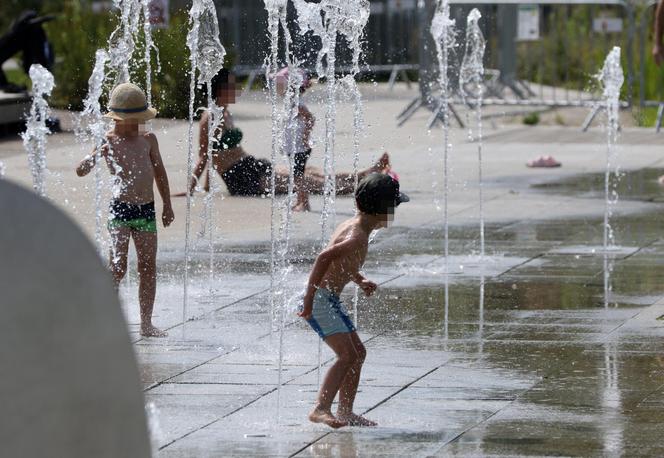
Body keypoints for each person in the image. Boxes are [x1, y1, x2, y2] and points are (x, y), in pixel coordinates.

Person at [298, 173, 409, 428]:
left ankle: (346, 411)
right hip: (320, 300)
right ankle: (320, 408)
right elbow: (324, 258)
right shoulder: (357, 235)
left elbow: (341, 263)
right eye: (393, 208)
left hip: (328, 299)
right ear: (383, 211)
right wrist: (308, 298)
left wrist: (359, 280)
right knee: (347, 355)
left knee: (358, 353)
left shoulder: (357, 228)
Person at [175, 69, 390, 198]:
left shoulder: (226, 112)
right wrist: (191, 190)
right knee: (309, 182)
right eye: (233, 86)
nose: (238, 90)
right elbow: (205, 156)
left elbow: (216, 156)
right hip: (243, 179)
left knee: (311, 170)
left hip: (251, 165)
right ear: (220, 90)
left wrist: (207, 186)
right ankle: (366, 184)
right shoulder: (210, 117)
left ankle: (366, 173)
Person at [76, 82, 174, 337]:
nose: (133, 125)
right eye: (128, 120)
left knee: (147, 266)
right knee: (117, 267)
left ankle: (146, 323)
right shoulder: (106, 140)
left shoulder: (148, 139)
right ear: (117, 119)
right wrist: (96, 155)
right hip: (120, 210)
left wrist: (167, 205)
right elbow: (81, 170)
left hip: (146, 210)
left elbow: (160, 174)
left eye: (137, 120)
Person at [275, 66, 315, 212]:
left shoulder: (296, 103)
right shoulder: (291, 102)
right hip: (295, 146)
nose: (278, 90)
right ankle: (300, 200)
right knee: (296, 175)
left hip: (300, 147)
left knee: (298, 176)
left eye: (280, 86)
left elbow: (310, 118)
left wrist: (305, 137)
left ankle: (304, 203)